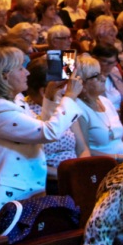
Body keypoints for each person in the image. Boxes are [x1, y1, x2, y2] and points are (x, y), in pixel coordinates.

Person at [0, 46, 83, 238]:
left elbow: (39, 131)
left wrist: (52, 96)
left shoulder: (15, 102)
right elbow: (49, 132)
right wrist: (69, 97)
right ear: (4, 76)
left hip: (20, 198)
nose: (27, 72)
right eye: (21, 68)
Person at [22, 57, 80, 187]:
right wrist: (68, 175)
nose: (66, 91)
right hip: (48, 182)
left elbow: (82, 148)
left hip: (76, 176)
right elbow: (30, 163)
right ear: (44, 91)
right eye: (63, 86)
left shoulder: (62, 105)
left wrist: (84, 171)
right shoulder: (25, 112)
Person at [72, 56, 123, 160]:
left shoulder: (106, 101)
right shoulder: (77, 108)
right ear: (82, 84)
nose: (103, 79)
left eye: (101, 74)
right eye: (96, 76)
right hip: (104, 165)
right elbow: (84, 151)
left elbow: (122, 137)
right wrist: (118, 158)